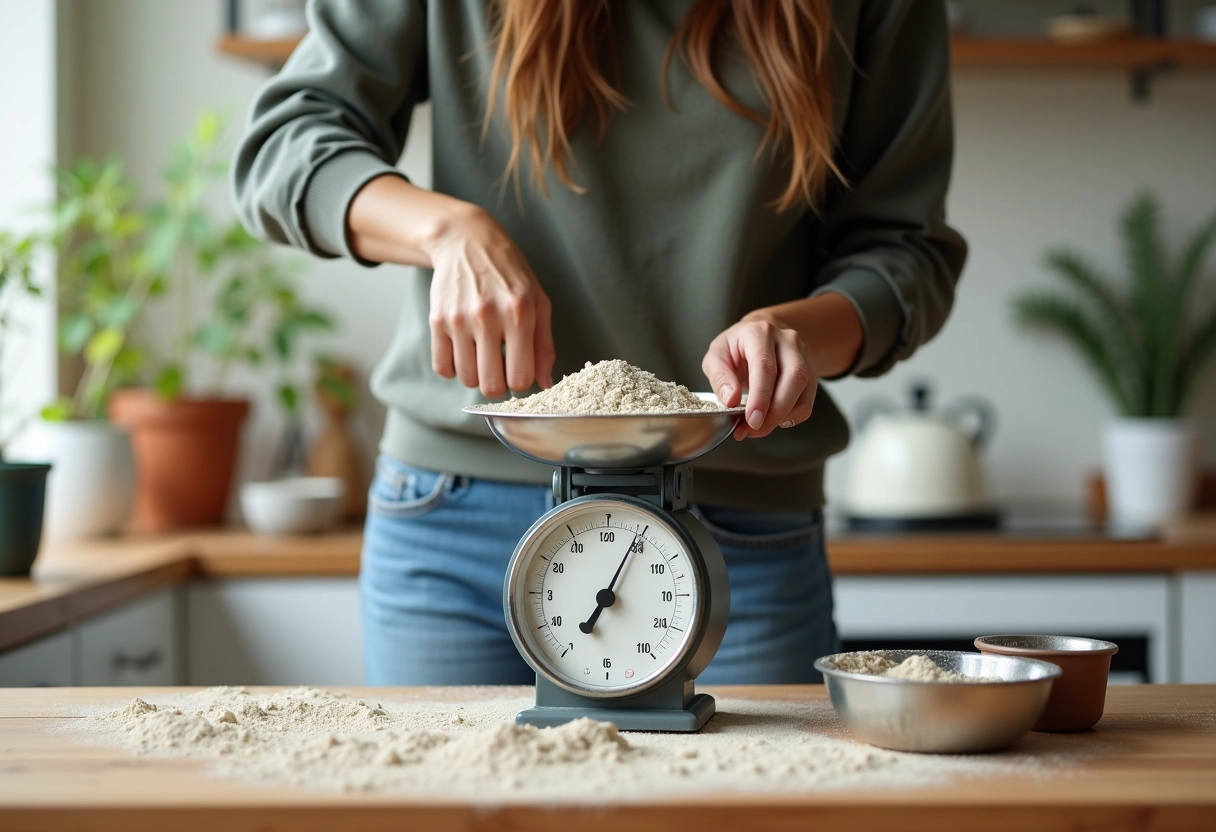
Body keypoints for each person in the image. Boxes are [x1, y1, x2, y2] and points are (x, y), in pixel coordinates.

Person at [234, 0, 966, 686]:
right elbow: (287, 144)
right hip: (456, 516)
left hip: (734, 530)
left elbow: (906, 254)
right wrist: (445, 232)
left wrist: (795, 333)